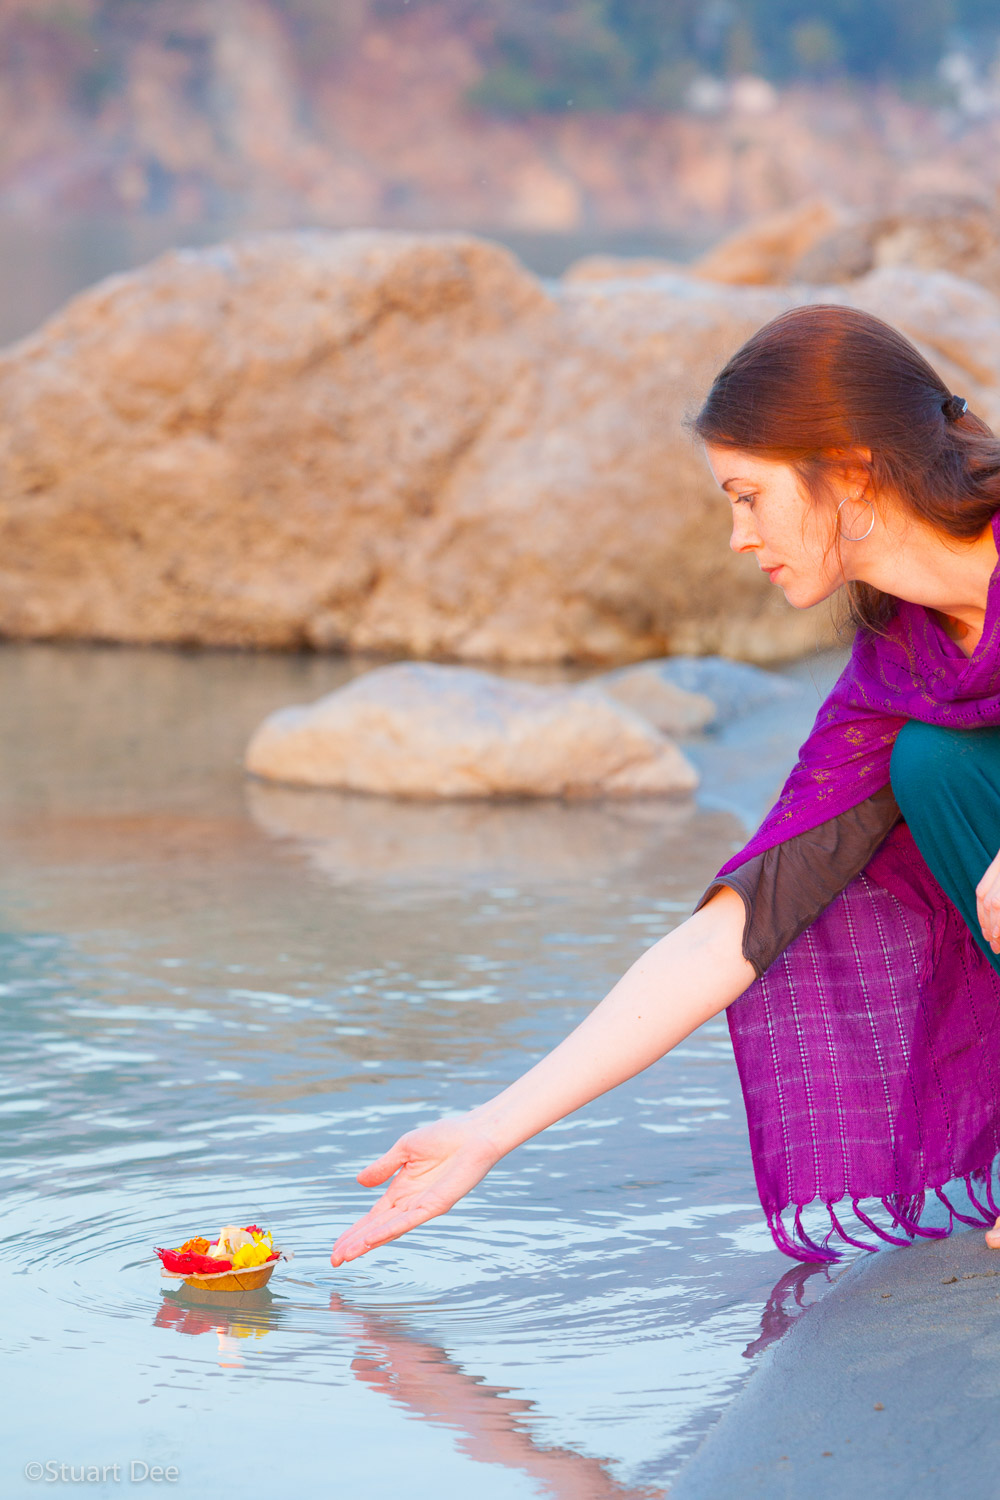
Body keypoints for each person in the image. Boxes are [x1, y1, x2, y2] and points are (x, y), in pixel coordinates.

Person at [331, 303, 1000, 1269]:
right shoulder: (904, 657)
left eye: (747, 495)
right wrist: (491, 1128)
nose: (738, 535)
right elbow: (748, 917)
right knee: (933, 766)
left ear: (849, 473)